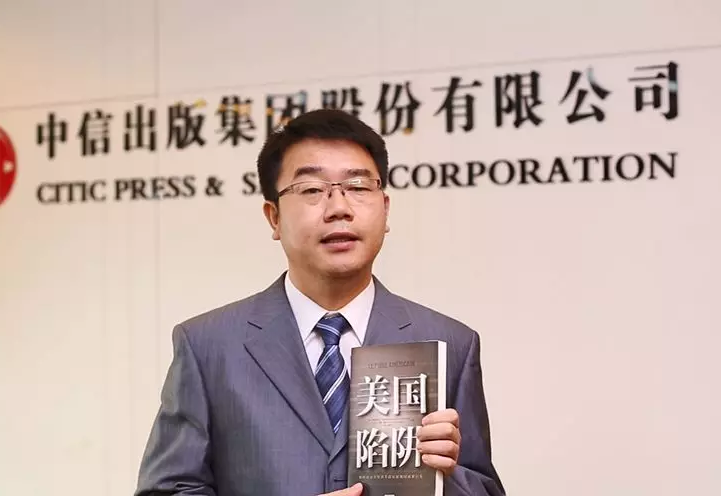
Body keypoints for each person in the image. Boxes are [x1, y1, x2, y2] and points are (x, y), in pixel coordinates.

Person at [134, 109, 506, 496]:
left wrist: (448, 477)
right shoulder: (208, 346)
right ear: (274, 217)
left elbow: (484, 488)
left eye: (358, 186)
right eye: (312, 190)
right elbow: (167, 490)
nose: (339, 208)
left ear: (385, 208)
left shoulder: (448, 343)